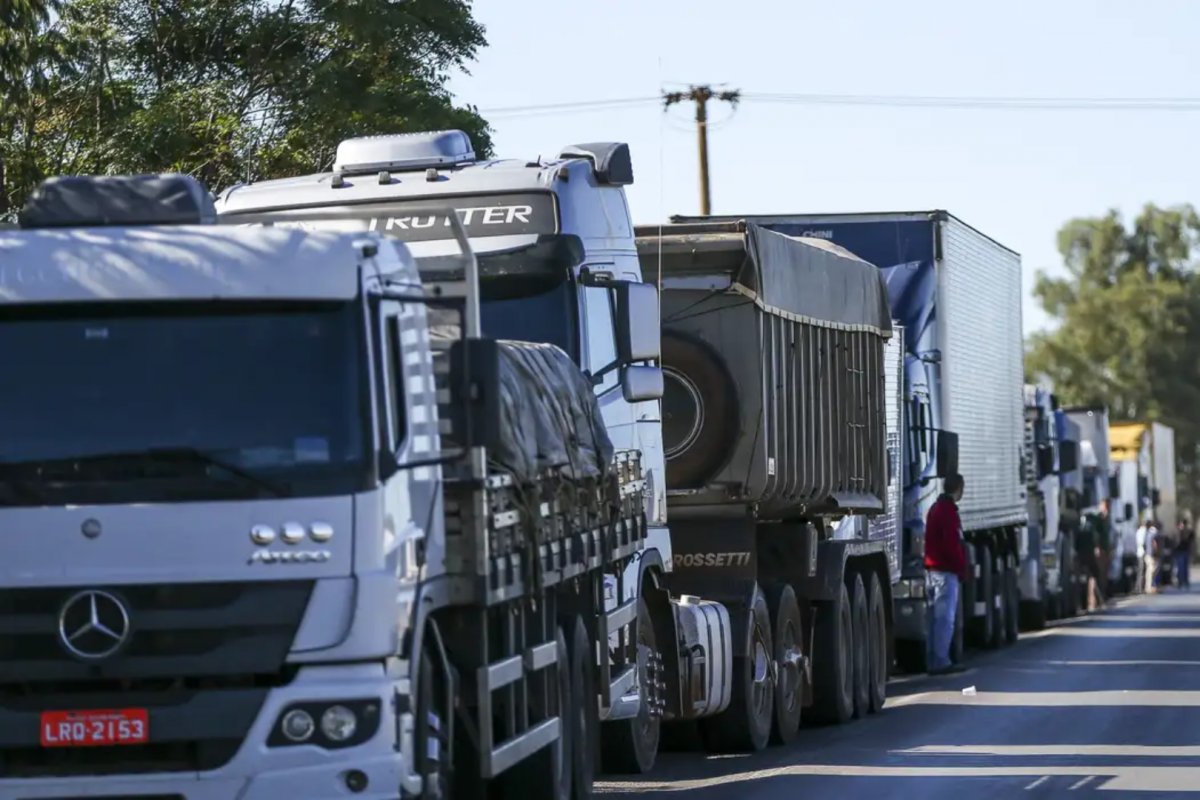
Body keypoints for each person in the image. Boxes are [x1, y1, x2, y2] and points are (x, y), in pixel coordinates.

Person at [924, 473, 968, 675]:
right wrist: (961, 567)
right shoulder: (948, 511)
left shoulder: (935, 509)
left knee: (934, 619)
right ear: (958, 488)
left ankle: (934, 660)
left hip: (932, 571)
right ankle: (941, 661)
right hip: (945, 572)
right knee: (945, 619)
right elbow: (952, 544)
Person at [1174, 519, 1193, 590]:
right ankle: (1181, 582)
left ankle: (1185, 581)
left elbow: (1190, 540)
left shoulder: (1188, 531)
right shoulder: (1177, 532)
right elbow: (1175, 542)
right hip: (1179, 552)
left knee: (1185, 568)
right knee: (1180, 568)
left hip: (1185, 551)